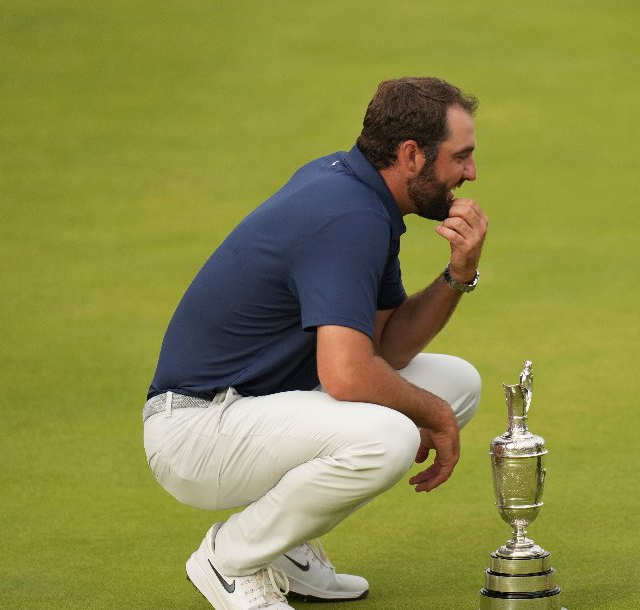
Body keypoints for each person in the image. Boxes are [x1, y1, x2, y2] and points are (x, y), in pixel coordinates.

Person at [142, 77, 488, 610]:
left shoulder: (358, 192)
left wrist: (457, 275)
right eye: (460, 157)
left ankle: (282, 549)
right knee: (389, 436)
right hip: (194, 431)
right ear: (412, 155)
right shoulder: (349, 216)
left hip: (250, 409)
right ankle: (231, 558)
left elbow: (386, 349)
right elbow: (347, 375)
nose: (469, 173)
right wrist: (433, 415)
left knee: (458, 384)